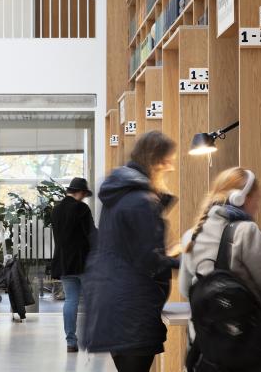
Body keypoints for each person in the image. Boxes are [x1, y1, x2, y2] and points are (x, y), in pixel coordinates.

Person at [179, 167, 261, 370]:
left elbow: (185, 289)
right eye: (256, 201)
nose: (257, 207)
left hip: (205, 347)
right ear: (241, 198)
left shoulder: (191, 235)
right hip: (243, 345)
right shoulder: (246, 232)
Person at [83, 131, 179, 372]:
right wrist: (187, 261)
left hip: (114, 300)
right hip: (133, 306)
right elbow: (149, 259)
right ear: (155, 160)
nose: (171, 166)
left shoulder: (119, 195)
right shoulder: (140, 200)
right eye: (169, 159)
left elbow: (130, 248)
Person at [50, 177, 95, 352]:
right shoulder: (81, 208)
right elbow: (91, 234)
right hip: (84, 262)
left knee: (71, 300)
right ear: (81, 192)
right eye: (84, 195)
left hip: (64, 262)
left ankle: (71, 342)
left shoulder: (56, 210)